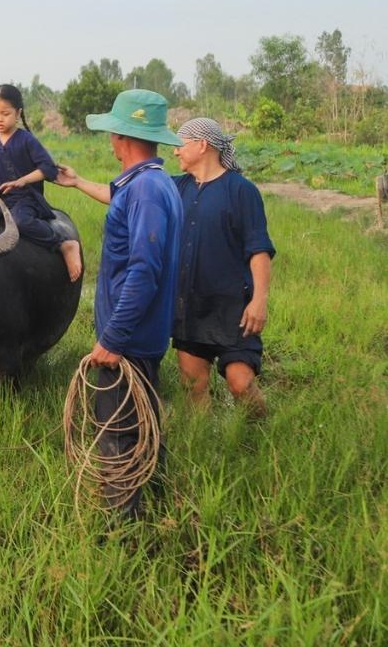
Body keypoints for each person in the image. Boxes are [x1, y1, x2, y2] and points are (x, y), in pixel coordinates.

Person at [55, 89, 182, 515]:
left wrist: (112, 338)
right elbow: (120, 198)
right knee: (144, 425)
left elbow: (144, 271)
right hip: (143, 336)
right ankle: (156, 506)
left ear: (121, 137)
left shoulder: (144, 191)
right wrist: (76, 182)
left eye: (112, 132)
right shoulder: (152, 183)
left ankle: (121, 534)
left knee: (117, 434)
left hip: (127, 340)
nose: (110, 139)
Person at [170, 118, 274, 419]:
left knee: (240, 384)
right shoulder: (176, 187)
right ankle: (202, 446)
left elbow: (259, 249)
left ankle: (261, 433)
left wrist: (260, 300)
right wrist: (78, 182)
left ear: (202, 145)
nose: (176, 152)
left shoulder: (241, 191)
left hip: (234, 309)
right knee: (193, 386)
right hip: (190, 305)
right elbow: (126, 195)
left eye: (181, 144)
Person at [0, 84, 83, 281]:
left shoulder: (26, 140)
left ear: (18, 113)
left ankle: (62, 243)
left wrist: (23, 181)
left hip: (25, 197)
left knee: (21, 221)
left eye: (5, 113)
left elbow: (47, 167)